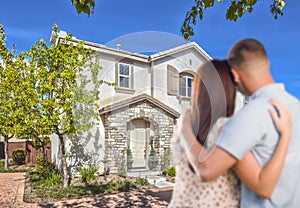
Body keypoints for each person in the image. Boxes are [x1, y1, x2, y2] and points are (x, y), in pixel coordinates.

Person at [177, 39, 300, 207]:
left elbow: (206, 170)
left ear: (235, 75)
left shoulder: (249, 116)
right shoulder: (295, 106)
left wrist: (184, 129)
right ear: (267, 62)